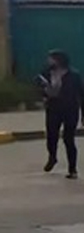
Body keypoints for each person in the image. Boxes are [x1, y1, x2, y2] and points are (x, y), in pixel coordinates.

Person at [36, 50, 84, 179]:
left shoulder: (74, 75)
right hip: (53, 109)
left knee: (69, 139)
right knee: (51, 135)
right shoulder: (46, 73)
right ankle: (52, 157)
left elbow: (81, 94)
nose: (48, 61)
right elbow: (38, 86)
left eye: (51, 59)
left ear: (59, 60)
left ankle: (72, 169)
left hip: (70, 110)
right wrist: (43, 92)